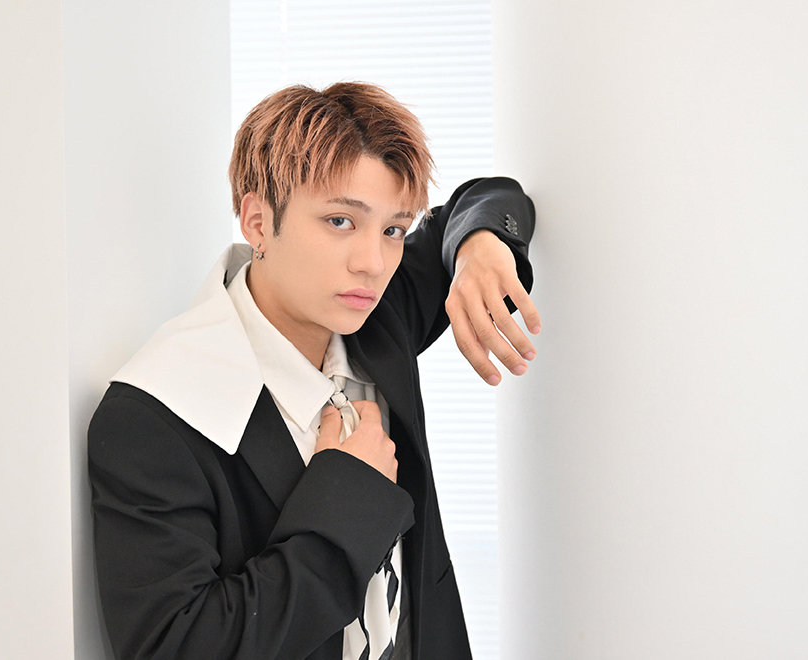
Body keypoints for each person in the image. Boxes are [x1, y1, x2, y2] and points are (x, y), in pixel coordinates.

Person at [88, 82, 538, 660]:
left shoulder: (377, 317)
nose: (373, 263)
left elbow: (493, 197)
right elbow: (178, 646)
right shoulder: (154, 417)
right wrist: (351, 497)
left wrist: (478, 248)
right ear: (257, 221)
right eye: (340, 221)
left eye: (393, 230)